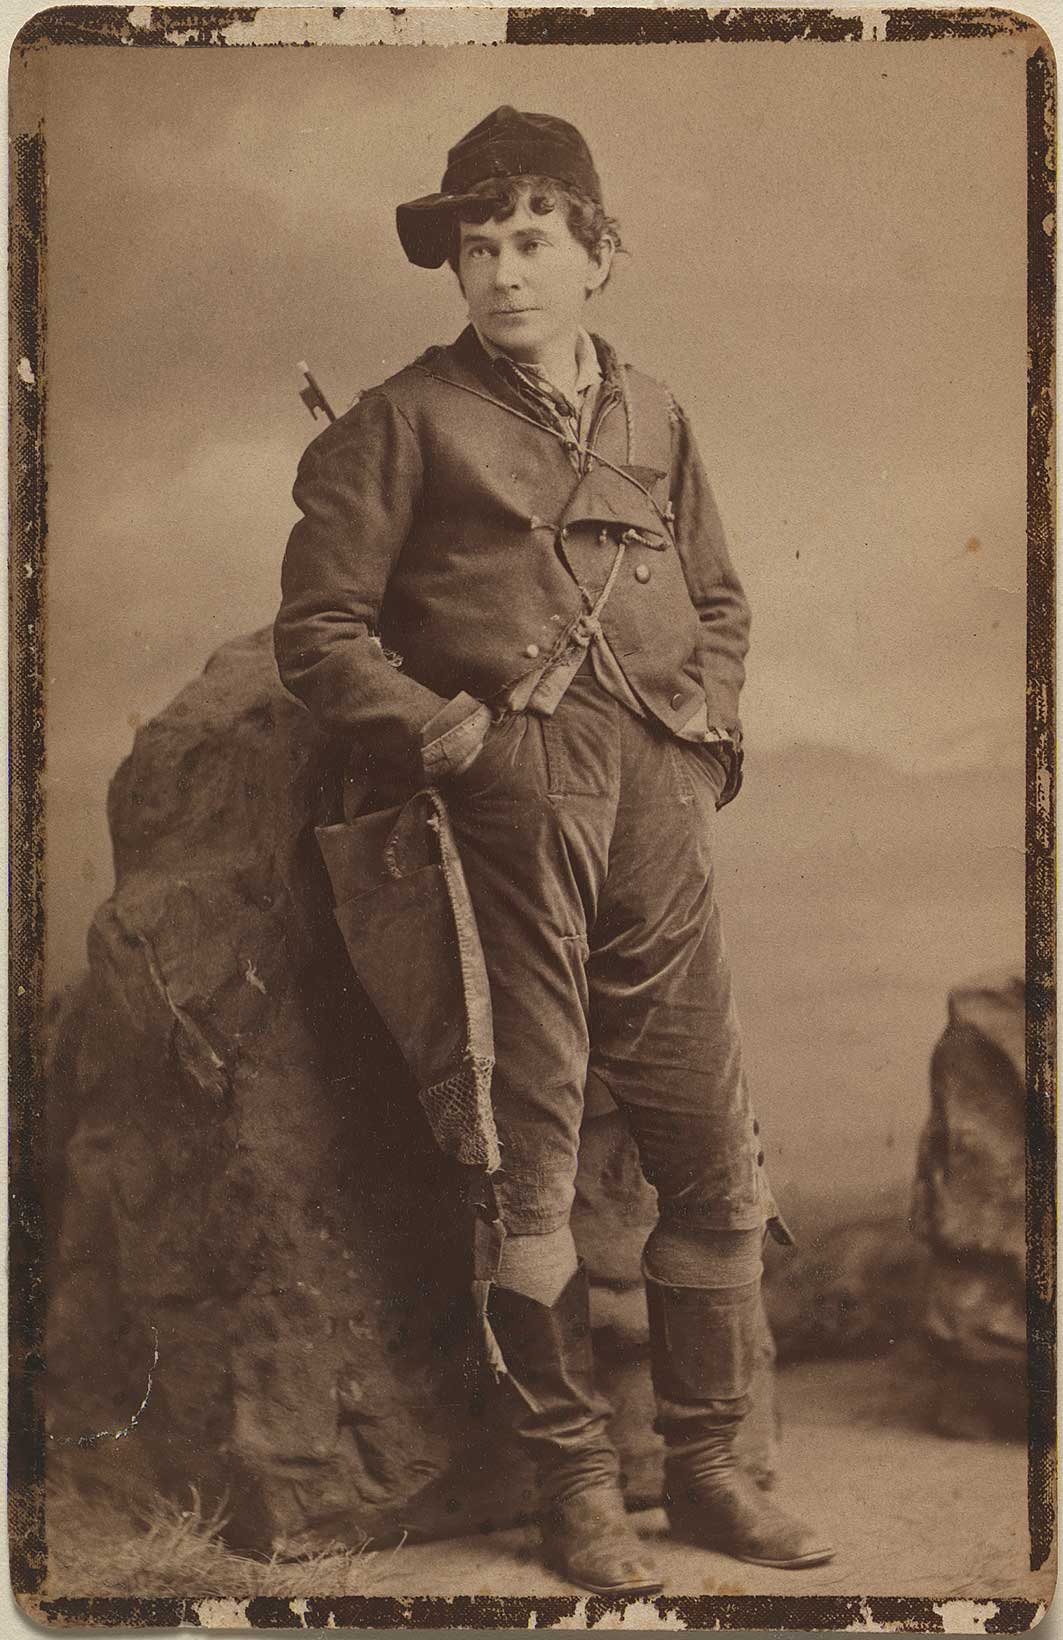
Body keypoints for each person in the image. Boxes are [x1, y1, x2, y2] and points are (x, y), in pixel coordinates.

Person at [274, 106, 833, 1595]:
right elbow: (319, 635)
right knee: (526, 1166)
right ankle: (576, 1491)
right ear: (454, 269)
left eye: (533, 241)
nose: (505, 271)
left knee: (706, 1148)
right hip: (503, 812)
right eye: (478, 246)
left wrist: (707, 731)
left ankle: (711, 1474)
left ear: (596, 254)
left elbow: (717, 596)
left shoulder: (656, 414)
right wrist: (452, 739)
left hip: (654, 796)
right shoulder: (400, 422)